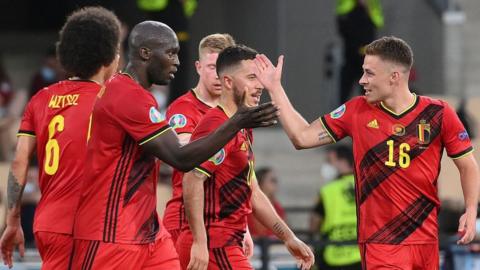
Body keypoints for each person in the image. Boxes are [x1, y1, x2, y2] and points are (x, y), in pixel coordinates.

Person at [254, 36, 480, 269]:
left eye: (370, 73)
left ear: (394, 77)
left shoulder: (438, 114)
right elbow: (301, 137)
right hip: (381, 243)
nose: (362, 80)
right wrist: (275, 89)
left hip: (426, 242)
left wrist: (471, 210)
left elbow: (468, 165)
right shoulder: (356, 111)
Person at [70, 22, 278, 270]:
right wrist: (236, 122)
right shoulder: (127, 95)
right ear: (146, 53)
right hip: (111, 230)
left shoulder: (138, 95)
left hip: (148, 231)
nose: (177, 62)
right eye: (170, 53)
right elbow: (181, 159)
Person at [0, 7, 122, 269]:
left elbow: (20, 163)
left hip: (49, 224)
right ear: (110, 58)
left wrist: (12, 220)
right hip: (93, 227)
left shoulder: (41, 99)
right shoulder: (112, 101)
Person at [176, 45, 314, 270]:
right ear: (228, 82)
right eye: (251, 77)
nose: (259, 85)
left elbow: (254, 191)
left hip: (226, 243)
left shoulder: (242, 126)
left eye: (259, 78)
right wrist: (201, 242)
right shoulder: (217, 126)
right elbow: (192, 179)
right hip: (215, 246)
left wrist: (288, 237)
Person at [162, 33, 236, 240]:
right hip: (184, 221)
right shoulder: (183, 109)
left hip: (222, 221)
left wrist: (244, 228)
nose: (219, 74)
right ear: (198, 67)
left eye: (224, 67)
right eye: (212, 67)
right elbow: (187, 156)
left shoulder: (234, 113)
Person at [311, 145, 361, 270]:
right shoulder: (365, 186)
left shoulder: (328, 191)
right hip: (361, 254)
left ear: (342, 161)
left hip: (333, 256)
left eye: (329, 161)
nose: (327, 166)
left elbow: (314, 225)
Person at [336, 0, 383, 104]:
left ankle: (367, 115)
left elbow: (377, 23)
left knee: (368, 91)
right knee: (344, 92)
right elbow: (343, 27)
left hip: (366, 57)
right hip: (351, 56)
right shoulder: (347, 10)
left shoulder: (371, 10)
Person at [247, 167, 286, 238]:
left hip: (272, 245)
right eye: (273, 181)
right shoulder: (247, 205)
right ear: (260, 183)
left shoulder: (277, 207)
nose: (276, 184)